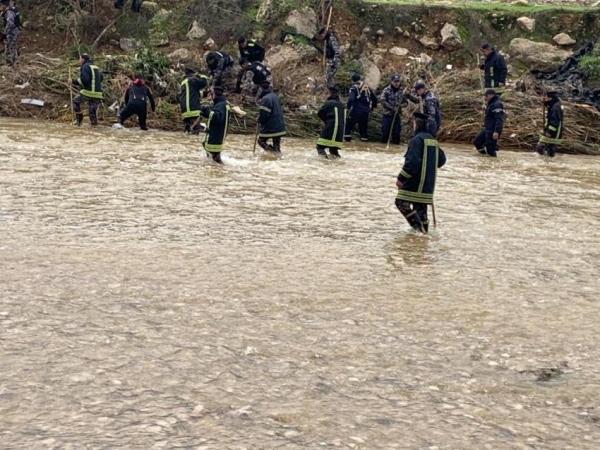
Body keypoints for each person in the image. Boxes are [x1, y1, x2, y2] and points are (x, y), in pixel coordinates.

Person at [395, 112, 447, 234]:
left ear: (416, 125)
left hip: (416, 183)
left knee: (400, 202)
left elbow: (412, 164)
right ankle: (423, 236)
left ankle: (419, 229)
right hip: (428, 185)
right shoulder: (433, 141)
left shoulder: (416, 140)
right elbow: (442, 160)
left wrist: (401, 178)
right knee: (421, 209)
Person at [200, 85, 231, 164]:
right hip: (217, 135)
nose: (211, 96)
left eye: (212, 94)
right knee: (214, 159)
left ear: (215, 94)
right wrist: (204, 111)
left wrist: (208, 112)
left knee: (215, 159)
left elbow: (217, 117)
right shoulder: (222, 103)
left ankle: (218, 168)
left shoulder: (220, 105)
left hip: (215, 136)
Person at [344, 73, 378, 142]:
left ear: (352, 80)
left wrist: (348, 108)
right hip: (365, 112)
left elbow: (351, 99)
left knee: (348, 127)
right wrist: (372, 108)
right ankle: (364, 143)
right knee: (363, 130)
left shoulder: (353, 88)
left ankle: (347, 143)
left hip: (355, 111)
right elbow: (375, 99)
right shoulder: (367, 88)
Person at [71, 54, 103, 126]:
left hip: (89, 92)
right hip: (98, 93)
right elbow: (101, 78)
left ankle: (79, 119)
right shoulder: (96, 66)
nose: (79, 61)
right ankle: (94, 126)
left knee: (75, 101)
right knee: (92, 112)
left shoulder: (85, 67)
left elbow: (84, 80)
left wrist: (73, 81)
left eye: (80, 59)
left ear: (83, 59)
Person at [257, 80, 286, 154]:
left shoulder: (266, 99)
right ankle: (277, 155)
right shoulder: (274, 96)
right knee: (277, 145)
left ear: (261, 88)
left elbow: (264, 114)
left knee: (261, 141)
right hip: (279, 125)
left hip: (271, 126)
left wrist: (259, 120)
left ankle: (272, 153)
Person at [316, 86, 346, 158]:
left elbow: (320, 113)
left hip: (330, 129)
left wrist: (326, 122)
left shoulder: (330, 103)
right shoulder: (342, 105)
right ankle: (337, 160)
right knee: (333, 150)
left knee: (320, 147)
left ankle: (323, 160)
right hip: (340, 132)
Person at [473, 88, 504, 157]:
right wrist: (486, 109)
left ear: (491, 95)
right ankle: (484, 157)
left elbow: (499, 119)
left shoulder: (497, 104)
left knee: (490, 150)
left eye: (486, 96)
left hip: (492, 130)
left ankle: (493, 159)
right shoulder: (491, 103)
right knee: (477, 141)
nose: (485, 98)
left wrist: (496, 131)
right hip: (487, 128)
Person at [179, 67, 208, 134]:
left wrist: (204, 93)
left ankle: (187, 132)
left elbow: (191, 94)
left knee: (188, 128)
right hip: (192, 108)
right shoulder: (192, 80)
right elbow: (203, 83)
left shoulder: (184, 82)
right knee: (195, 128)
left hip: (185, 110)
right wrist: (203, 76)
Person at [380, 74, 406, 145]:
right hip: (387, 116)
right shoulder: (386, 90)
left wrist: (400, 106)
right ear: (391, 81)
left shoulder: (402, 91)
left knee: (396, 135)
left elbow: (406, 102)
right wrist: (392, 108)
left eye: (398, 81)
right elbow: (383, 101)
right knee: (385, 134)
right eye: (395, 82)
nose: (397, 83)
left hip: (396, 116)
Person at [536, 90, 564, 157]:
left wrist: (549, 132)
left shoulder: (555, 107)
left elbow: (555, 121)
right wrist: (546, 103)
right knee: (550, 148)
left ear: (550, 98)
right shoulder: (556, 104)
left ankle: (545, 160)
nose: (545, 99)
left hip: (553, 132)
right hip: (554, 131)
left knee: (540, 146)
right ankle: (549, 160)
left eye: (546, 97)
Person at [1, 0, 21, 67]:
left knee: (9, 46)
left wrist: (5, 33)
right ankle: (15, 60)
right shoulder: (13, 9)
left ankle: (10, 62)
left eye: (1, 5)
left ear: (4, 5)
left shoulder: (9, 12)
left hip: (12, 31)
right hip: (16, 30)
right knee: (13, 45)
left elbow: (10, 23)